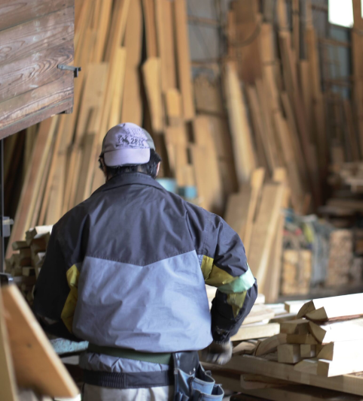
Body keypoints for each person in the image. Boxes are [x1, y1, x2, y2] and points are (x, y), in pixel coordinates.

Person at [33, 123, 257, 400]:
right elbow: (240, 286)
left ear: (104, 167)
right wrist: (221, 334)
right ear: (156, 167)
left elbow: (50, 310)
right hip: (177, 382)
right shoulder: (199, 224)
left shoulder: (73, 225)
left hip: (107, 382)